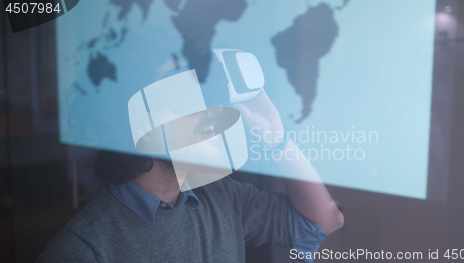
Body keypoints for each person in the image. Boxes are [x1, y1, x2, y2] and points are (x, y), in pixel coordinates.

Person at [36, 89, 343, 262]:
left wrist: (278, 140)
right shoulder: (83, 249)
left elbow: (323, 222)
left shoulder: (223, 197)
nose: (208, 112)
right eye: (184, 101)